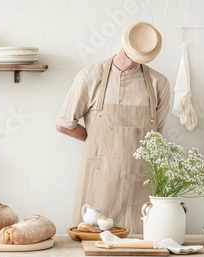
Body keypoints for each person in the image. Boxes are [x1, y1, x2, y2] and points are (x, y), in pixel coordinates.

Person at [56, 21, 170, 234]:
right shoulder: (91, 77)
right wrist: (97, 140)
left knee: (139, 245)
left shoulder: (158, 84)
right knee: (93, 246)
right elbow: (64, 125)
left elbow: (156, 135)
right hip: (99, 183)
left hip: (139, 185)